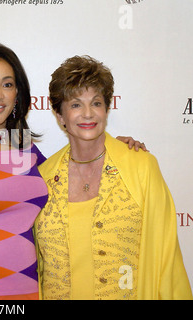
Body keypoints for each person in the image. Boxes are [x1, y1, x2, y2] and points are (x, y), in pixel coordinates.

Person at [0, 44, 144, 300]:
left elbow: (76, 167)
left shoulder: (30, 153)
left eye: (7, 85)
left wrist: (116, 149)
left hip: (30, 293)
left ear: (17, 93)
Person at [34, 55, 192, 300]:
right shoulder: (43, 178)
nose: (88, 114)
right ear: (59, 114)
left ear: (106, 108)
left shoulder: (141, 167)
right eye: (75, 105)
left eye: (96, 103)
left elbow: (166, 261)